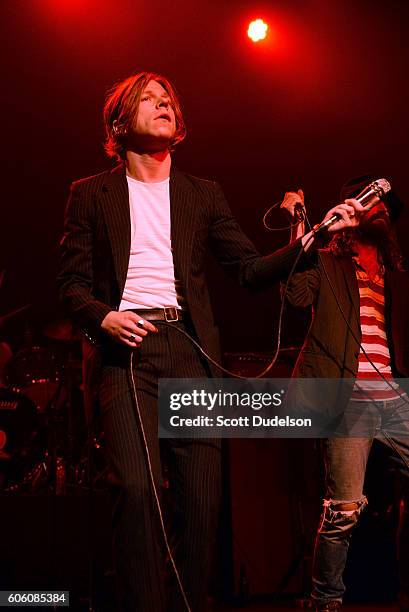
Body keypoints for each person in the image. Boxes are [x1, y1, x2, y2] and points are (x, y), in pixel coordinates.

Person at [57, 71, 363, 612]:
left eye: (168, 98)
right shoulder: (90, 194)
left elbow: (247, 270)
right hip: (125, 350)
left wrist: (312, 238)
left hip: (191, 350)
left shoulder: (203, 194)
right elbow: (71, 285)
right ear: (119, 122)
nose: (163, 104)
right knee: (136, 491)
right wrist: (102, 317)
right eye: (148, 100)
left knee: (201, 503)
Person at [281, 176, 409, 612]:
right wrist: (302, 222)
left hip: (394, 399)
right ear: (352, 211)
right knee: (344, 511)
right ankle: (325, 602)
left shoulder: (395, 278)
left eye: (388, 207)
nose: (383, 210)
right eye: (374, 203)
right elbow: (295, 293)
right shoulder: (329, 264)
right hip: (349, 399)